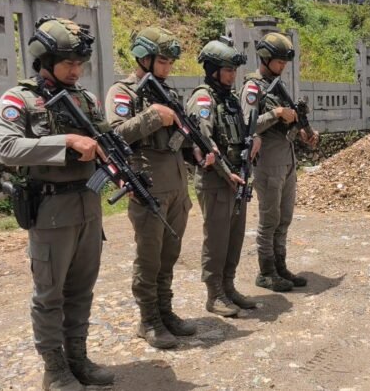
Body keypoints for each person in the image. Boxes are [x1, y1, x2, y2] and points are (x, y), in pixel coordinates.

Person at [0, 16, 114, 390]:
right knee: (49, 295)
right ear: (45, 60)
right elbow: (8, 148)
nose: (76, 71)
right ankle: (55, 369)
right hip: (50, 213)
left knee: (81, 290)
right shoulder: (19, 99)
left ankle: (78, 359)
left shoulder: (86, 99)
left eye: (80, 64)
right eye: (68, 63)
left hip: (89, 206)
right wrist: (66, 142)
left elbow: (105, 140)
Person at [105, 27, 196, 349]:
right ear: (143, 58)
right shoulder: (123, 92)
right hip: (149, 186)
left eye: (171, 63)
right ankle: (148, 319)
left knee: (169, 254)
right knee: (149, 257)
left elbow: (182, 138)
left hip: (177, 184)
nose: (168, 68)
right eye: (162, 61)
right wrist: (153, 117)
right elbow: (114, 136)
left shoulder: (165, 91)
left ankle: (165, 311)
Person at [239, 32, 319, 292]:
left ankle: (280, 267)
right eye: (279, 61)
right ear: (265, 58)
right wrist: (276, 113)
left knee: (284, 218)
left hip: (286, 161)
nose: (283, 66)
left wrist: (303, 132)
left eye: (285, 61)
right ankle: (266, 272)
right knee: (269, 220)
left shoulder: (277, 87)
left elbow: (286, 126)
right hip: (268, 164)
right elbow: (247, 126)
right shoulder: (253, 88)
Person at [186, 37, 256, 317]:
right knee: (216, 239)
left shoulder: (230, 98)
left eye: (234, 70)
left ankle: (228, 286)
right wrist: (228, 174)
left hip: (236, 179)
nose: (232, 75)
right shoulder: (203, 99)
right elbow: (204, 140)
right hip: (216, 180)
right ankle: (214, 294)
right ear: (213, 70)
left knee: (234, 237)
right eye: (228, 70)